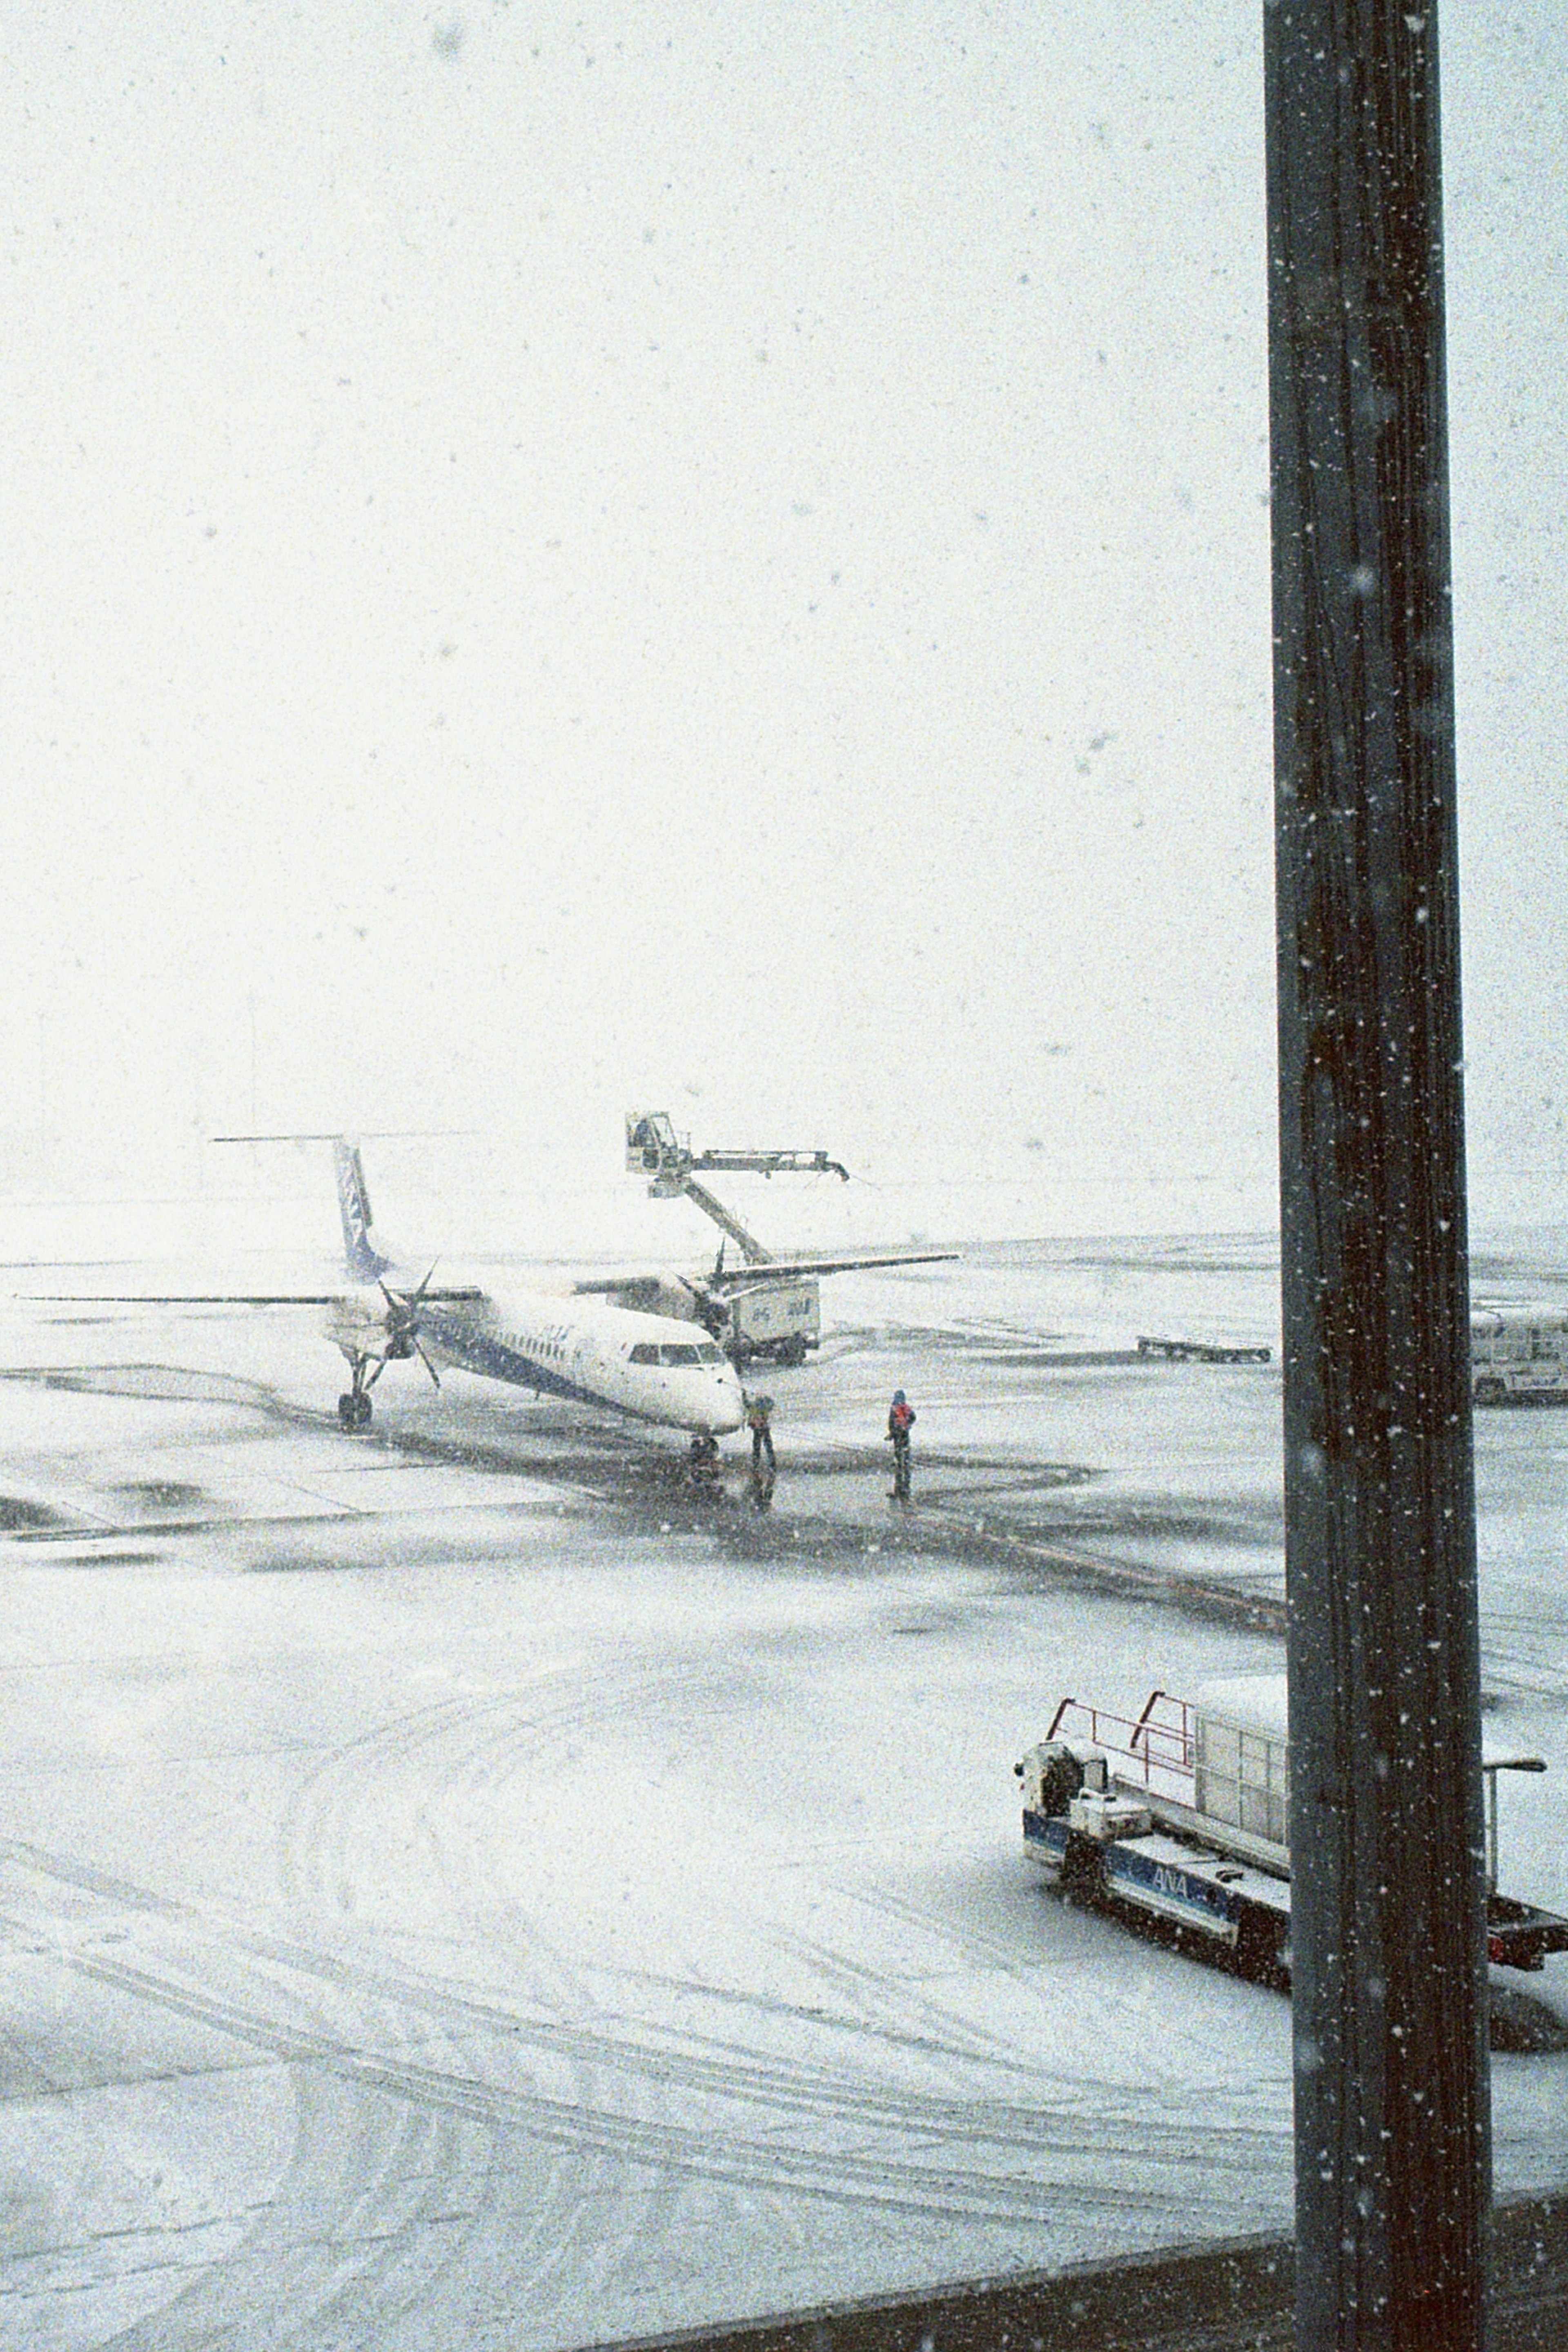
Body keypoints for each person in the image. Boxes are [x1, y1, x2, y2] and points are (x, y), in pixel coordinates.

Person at [887, 1388, 915, 1500]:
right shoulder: (906, 1408)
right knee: (906, 1446)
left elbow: (891, 1421)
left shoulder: (895, 1408)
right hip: (905, 1431)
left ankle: (900, 1463)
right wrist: (908, 1424)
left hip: (898, 1431)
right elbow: (913, 1417)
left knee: (898, 1448)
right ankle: (906, 1461)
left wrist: (892, 1431)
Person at [745, 1391, 776, 1475]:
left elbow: (746, 1404)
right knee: (766, 1447)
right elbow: (771, 1405)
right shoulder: (763, 1407)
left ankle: (757, 1464)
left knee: (758, 1448)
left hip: (759, 1429)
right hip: (763, 1429)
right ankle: (771, 1464)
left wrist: (744, 1395)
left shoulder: (755, 1407)